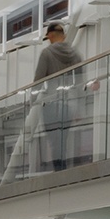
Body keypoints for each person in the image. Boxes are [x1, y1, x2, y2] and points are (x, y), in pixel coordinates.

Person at [33, 21, 84, 169]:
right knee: (63, 139)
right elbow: (80, 83)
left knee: (52, 140)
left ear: (50, 35)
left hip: (50, 103)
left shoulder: (47, 53)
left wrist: (31, 101)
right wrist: (80, 108)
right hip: (69, 104)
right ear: (64, 35)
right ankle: (62, 168)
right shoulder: (76, 55)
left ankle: (58, 170)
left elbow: (38, 80)